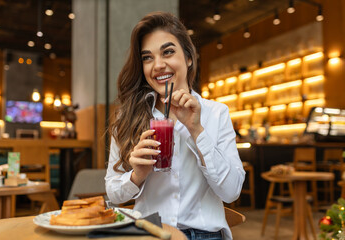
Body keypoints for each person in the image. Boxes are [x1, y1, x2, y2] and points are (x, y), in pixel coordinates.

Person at [105, 11, 245, 240]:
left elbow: (231, 192)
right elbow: (113, 192)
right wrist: (136, 176)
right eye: (147, 57)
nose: (158, 65)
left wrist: (196, 131)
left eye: (168, 52)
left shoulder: (217, 113)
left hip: (204, 234)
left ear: (188, 58)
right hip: (150, 232)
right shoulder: (127, 117)